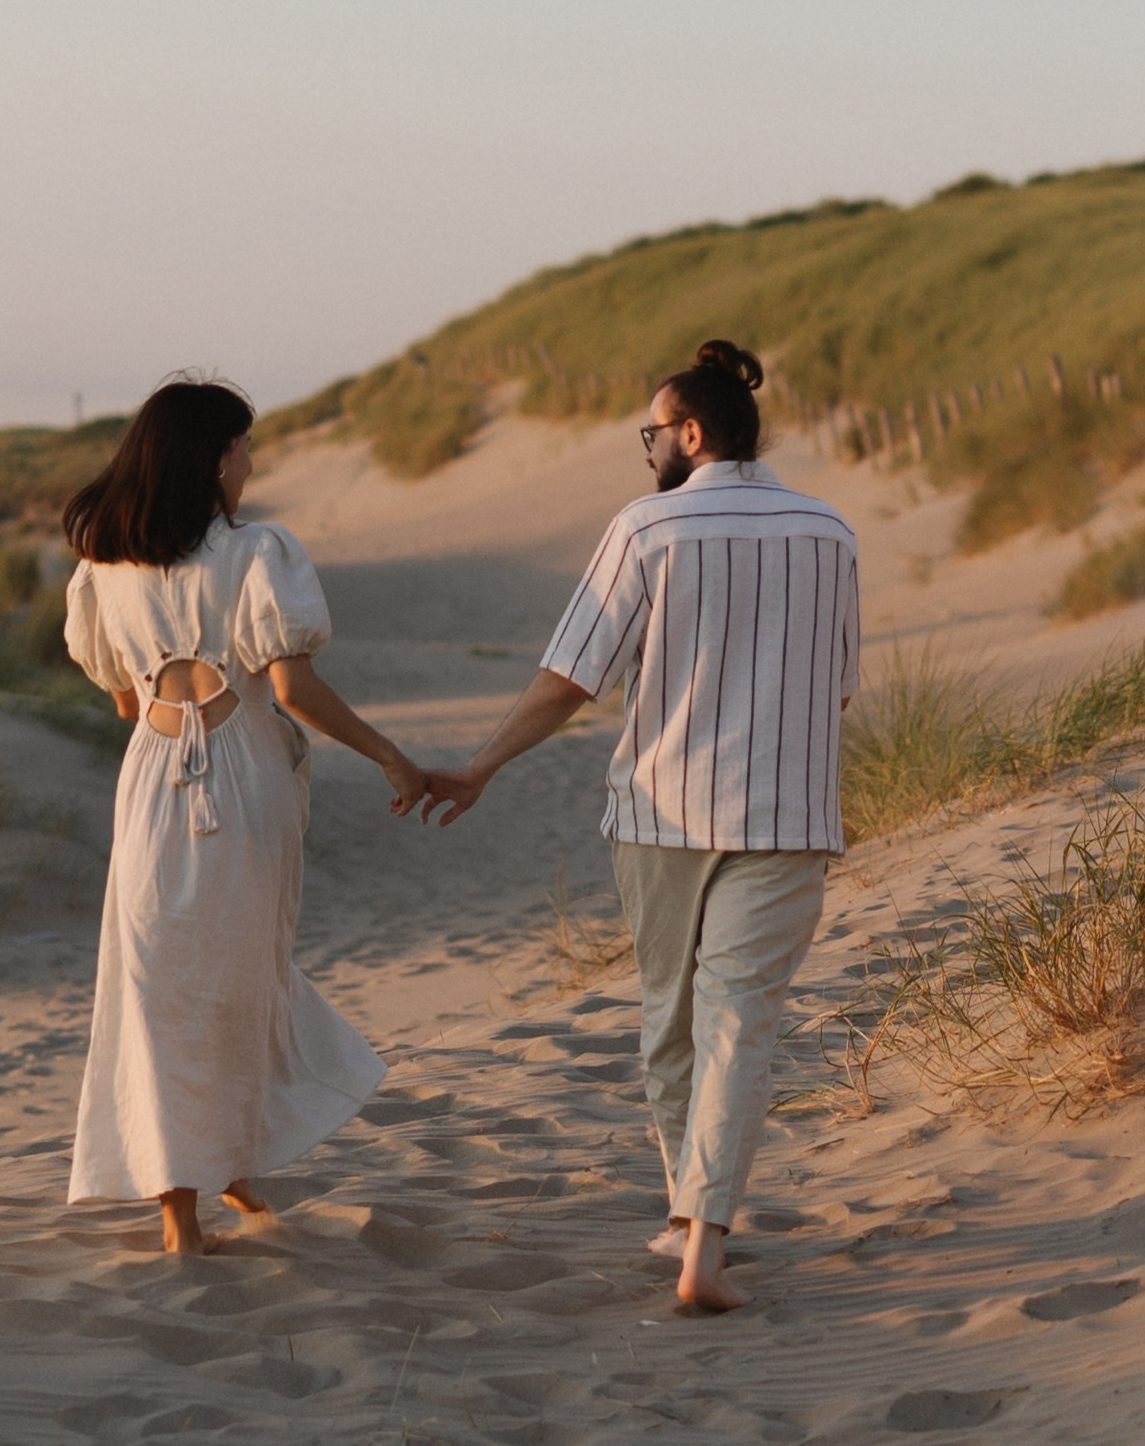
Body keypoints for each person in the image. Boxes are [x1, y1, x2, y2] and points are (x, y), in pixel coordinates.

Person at [418, 341, 858, 1312]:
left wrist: (483, 765)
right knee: (739, 1022)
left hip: (663, 815)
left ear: (691, 434)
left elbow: (570, 678)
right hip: (788, 813)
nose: (648, 449)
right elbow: (837, 687)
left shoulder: (648, 528)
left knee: (672, 1022)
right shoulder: (829, 531)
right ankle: (695, 1228)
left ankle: (693, 1227)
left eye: (652, 433)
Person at [62, 376, 426, 1256]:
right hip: (247, 775)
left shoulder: (104, 568)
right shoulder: (258, 552)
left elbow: (121, 698)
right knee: (238, 972)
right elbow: (293, 690)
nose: (251, 464)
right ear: (212, 459)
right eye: (243, 449)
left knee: (156, 983)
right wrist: (390, 755)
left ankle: (192, 1202)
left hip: (152, 780)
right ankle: (220, 1174)